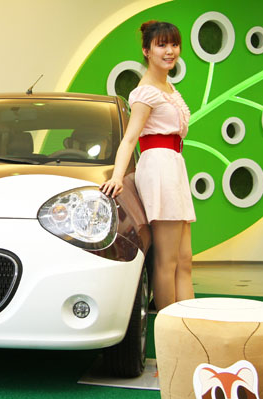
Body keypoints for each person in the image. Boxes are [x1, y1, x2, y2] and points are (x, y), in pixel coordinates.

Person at [100, 21, 195, 311]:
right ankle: (170, 325)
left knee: (184, 260)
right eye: (161, 45)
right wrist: (118, 177)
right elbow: (130, 138)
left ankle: (189, 321)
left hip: (174, 167)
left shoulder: (168, 87)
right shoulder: (145, 92)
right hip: (159, 169)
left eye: (174, 44)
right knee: (167, 261)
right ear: (147, 51)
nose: (170, 51)